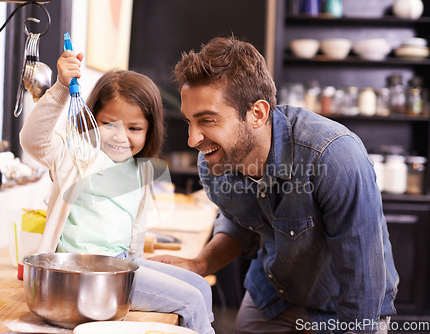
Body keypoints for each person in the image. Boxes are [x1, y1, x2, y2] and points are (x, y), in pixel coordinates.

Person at [149, 36, 399, 334]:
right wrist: (200, 264)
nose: (193, 140)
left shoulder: (332, 155)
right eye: (191, 121)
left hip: (347, 303)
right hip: (275, 292)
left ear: (257, 113)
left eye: (208, 120)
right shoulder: (215, 162)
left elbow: (362, 280)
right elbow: (241, 220)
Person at [19, 49, 214, 334]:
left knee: (200, 285)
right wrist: (61, 88)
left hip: (122, 265)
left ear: (150, 130)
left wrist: (139, 260)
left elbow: (131, 232)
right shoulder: (77, 155)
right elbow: (32, 139)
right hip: (83, 273)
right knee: (191, 300)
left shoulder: (142, 169)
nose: (121, 137)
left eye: (134, 128)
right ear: (90, 119)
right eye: (109, 124)